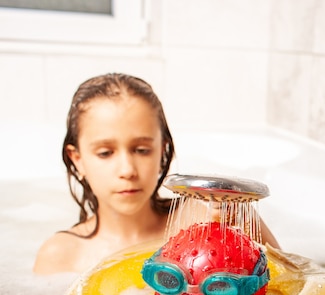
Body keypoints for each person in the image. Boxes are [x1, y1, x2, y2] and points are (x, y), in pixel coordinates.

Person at [33, 73, 279, 275]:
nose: (127, 170)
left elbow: (291, 284)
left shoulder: (203, 218)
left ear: (161, 152)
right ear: (78, 160)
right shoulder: (62, 255)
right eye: (106, 153)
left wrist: (245, 221)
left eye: (142, 150)